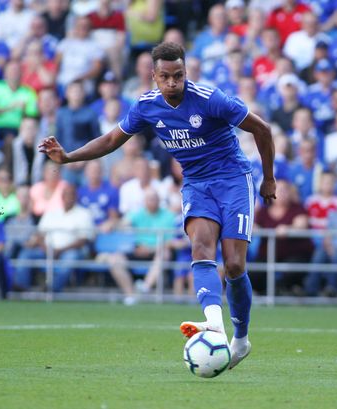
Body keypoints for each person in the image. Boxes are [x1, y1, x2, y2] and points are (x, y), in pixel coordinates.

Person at [38, 42, 275, 370]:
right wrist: (68, 157)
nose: (172, 82)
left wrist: (270, 179)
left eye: (178, 75)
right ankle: (215, 324)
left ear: (186, 73)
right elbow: (110, 141)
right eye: (165, 76)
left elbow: (262, 129)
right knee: (201, 248)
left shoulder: (211, 99)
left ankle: (241, 339)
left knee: (234, 265)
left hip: (234, 179)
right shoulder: (146, 106)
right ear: (154, 76)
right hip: (196, 184)